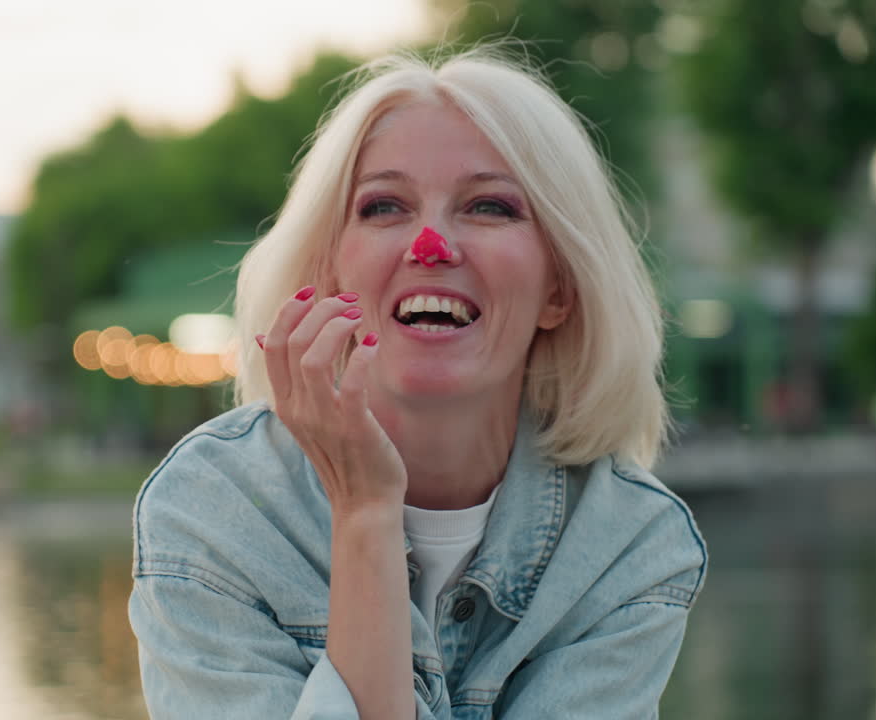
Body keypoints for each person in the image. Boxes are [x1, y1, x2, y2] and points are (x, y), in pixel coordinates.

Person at [128, 47, 707, 719]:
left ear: (561, 288)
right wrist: (365, 514)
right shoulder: (211, 512)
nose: (430, 245)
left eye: (489, 206)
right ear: (330, 272)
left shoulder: (628, 545)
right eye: (383, 207)